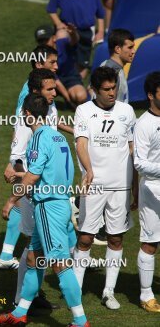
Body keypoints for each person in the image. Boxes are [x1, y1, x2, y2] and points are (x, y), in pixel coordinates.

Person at [0, 94, 89, 327]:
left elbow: (34, 175)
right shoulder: (58, 137)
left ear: (27, 114)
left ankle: (80, 320)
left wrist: (10, 200)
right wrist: (23, 176)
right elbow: (48, 171)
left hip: (48, 208)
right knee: (35, 258)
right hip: (60, 202)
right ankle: (19, 314)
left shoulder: (38, 138)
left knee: (58, 263)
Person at [5, 69, 75, 312]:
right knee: (35, 247)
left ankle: (24, 304)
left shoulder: (47, 111)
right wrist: (18, 188)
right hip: (35, 194)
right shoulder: (27, 122)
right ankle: (21, 300)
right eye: (50, 89)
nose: (55, 93)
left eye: (55, 88)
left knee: (38, 249)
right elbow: (16, 158)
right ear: (36, 92)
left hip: (48, 193)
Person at [72, 67, 137, 310]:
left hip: (120, 186)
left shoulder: (127, 111)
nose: (112, 93)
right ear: (95, 90)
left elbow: (132, 149)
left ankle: (108, 291)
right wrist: (89, 171)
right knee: (86, 237)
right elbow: (81, 144)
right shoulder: (84, 111)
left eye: (115, 88)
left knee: (116, 237)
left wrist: (135, 187)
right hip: (94, 185)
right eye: (107, 90)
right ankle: (75, 291)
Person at [133, 71, 160, 313]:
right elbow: (139, 163)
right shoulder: (143, 125)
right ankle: (146, 295)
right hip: (152, 190)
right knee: (151, 242)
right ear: (151, 95)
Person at [47, 0, 105, 78]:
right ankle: (57, 79)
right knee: (62, 56)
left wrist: (101, 31)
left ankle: (77, 84)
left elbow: (100, 14)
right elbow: (51, 9)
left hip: (86, 32)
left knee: (82, 65)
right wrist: (58, 24)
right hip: (67, 30)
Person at [35, 24, 88, 107]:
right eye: (40, 41)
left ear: (54, 38)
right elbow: (56, 82)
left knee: (81, 96)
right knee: (37, 98)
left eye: (46, 40)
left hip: (70, 78)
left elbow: (74, 41)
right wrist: (69, 101)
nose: (43, 44)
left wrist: (73, 33)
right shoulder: (40, 56)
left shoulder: (63, 43)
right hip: (52, 81)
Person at [100, 29, 136, 103]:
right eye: (130, 47)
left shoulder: (107, 66)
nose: (133, 51)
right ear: (118, 49)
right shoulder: (111, 72)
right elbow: (105, 105)